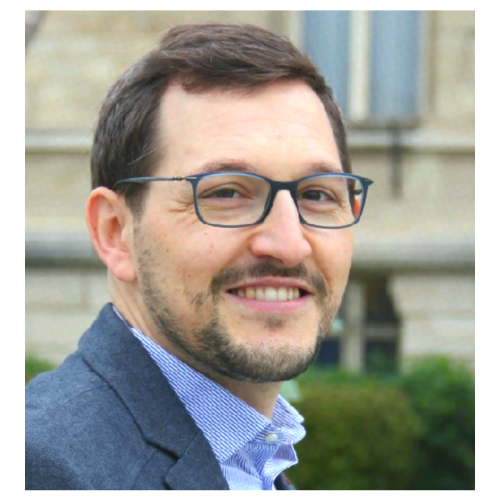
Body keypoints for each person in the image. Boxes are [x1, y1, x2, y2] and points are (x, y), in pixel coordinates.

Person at [25, 21, 373, 491]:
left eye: (317, 195)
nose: (289, 244)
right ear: (115, 232)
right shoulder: (46, 468)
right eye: (227, 193)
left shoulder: (251, 461)